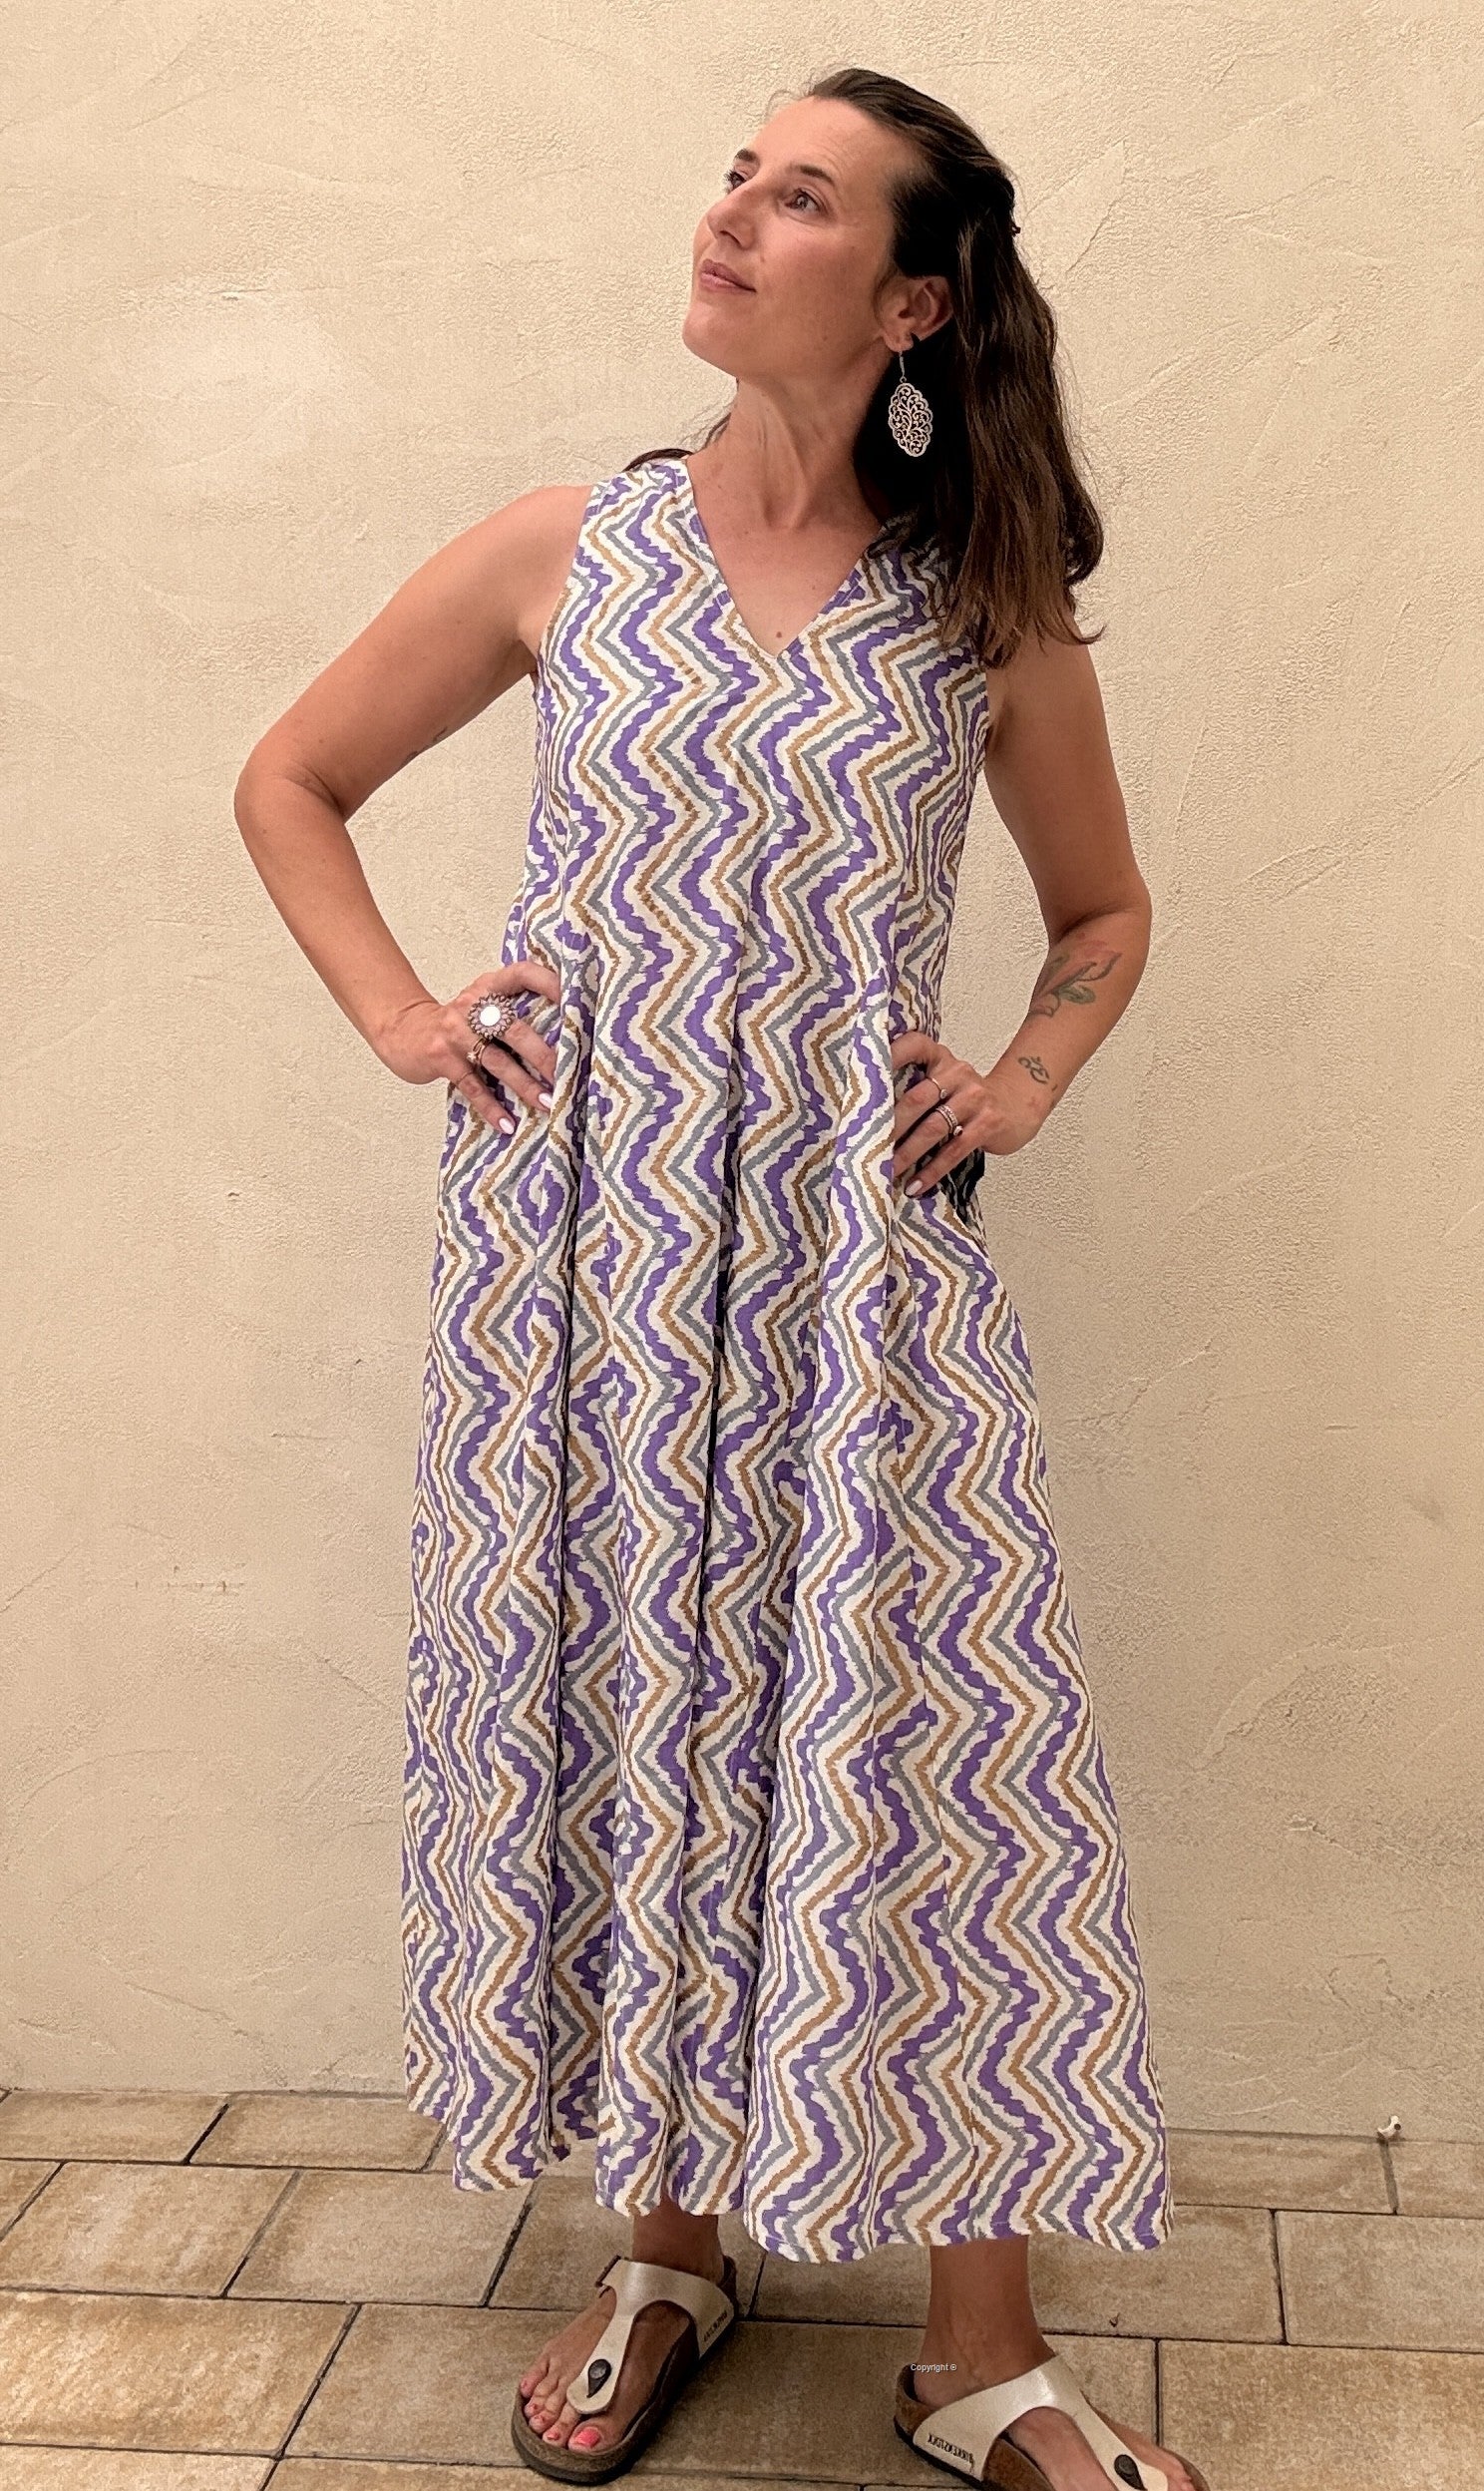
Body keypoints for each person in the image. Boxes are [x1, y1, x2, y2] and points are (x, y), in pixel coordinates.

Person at [234, 64, 1204, 2491]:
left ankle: (977, 2349)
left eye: (796, 198)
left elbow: (1101, 917)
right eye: (732, 176)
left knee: (924, 1761)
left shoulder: (975, 607)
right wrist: (401, 1013)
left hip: (861, 1287)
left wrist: (1022, 1076)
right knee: (649, 1714)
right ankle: (670, 2242)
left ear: (905, 299)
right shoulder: (570, 545)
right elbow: (291, 779)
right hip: (583, 1267)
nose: (730, 217)